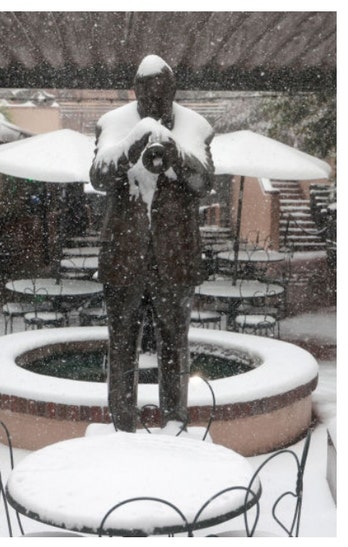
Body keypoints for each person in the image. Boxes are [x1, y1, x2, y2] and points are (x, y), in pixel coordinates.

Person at [89, 54, 214, 433]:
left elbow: (204, 182)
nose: (154, 102)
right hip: (123, 258)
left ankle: (175, 423)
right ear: (136, 91)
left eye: (161, 95)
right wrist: (132, 145)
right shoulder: (113, 124)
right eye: (146, 95)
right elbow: (98, 176)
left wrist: (177, 154)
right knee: (121, 345)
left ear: (173, 91)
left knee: (175, 346)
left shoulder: (196, 126)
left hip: (175, 259)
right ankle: (122, 425)